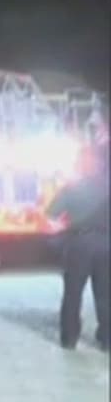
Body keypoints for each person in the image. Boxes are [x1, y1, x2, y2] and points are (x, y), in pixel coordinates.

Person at [48, 144, 110, 352]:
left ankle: (69, 338)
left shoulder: (72, 188)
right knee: (105, 294)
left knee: (73, 293)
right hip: (106, 244)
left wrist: (64, 228)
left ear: (81, 165)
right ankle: (107, 338)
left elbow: (52, 217)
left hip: (78, 244)